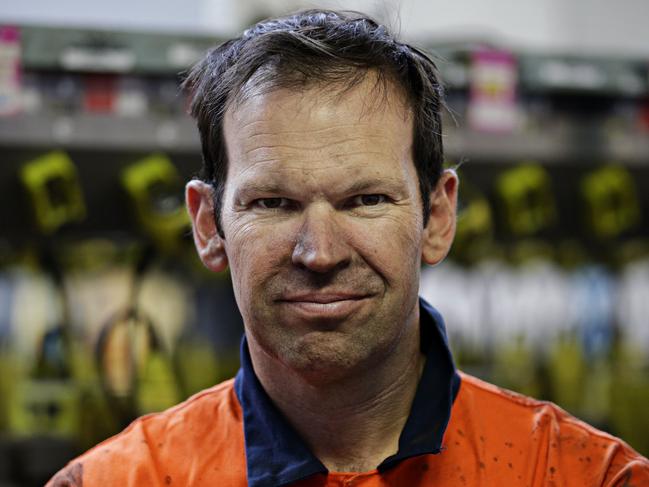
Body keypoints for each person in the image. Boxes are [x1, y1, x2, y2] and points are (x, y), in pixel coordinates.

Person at [48, 9, 648, 487]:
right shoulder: (122, 479)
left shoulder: (580, 474)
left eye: (366, 200)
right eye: (273, 203)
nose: (320, 252)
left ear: (438, 217)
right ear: (209, 226)